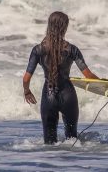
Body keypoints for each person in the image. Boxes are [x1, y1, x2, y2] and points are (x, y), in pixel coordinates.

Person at [22, 11, 99, 144]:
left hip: (49, 95)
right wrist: (105, 84)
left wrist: (27, 91)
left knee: (49, 143)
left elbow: (26, 78)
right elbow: (88, 76)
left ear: (49, 26)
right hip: (69, 96)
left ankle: (52, 163)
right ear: (65, 27)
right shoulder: (72, 49)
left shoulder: (38, 50)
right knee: (72, 140)